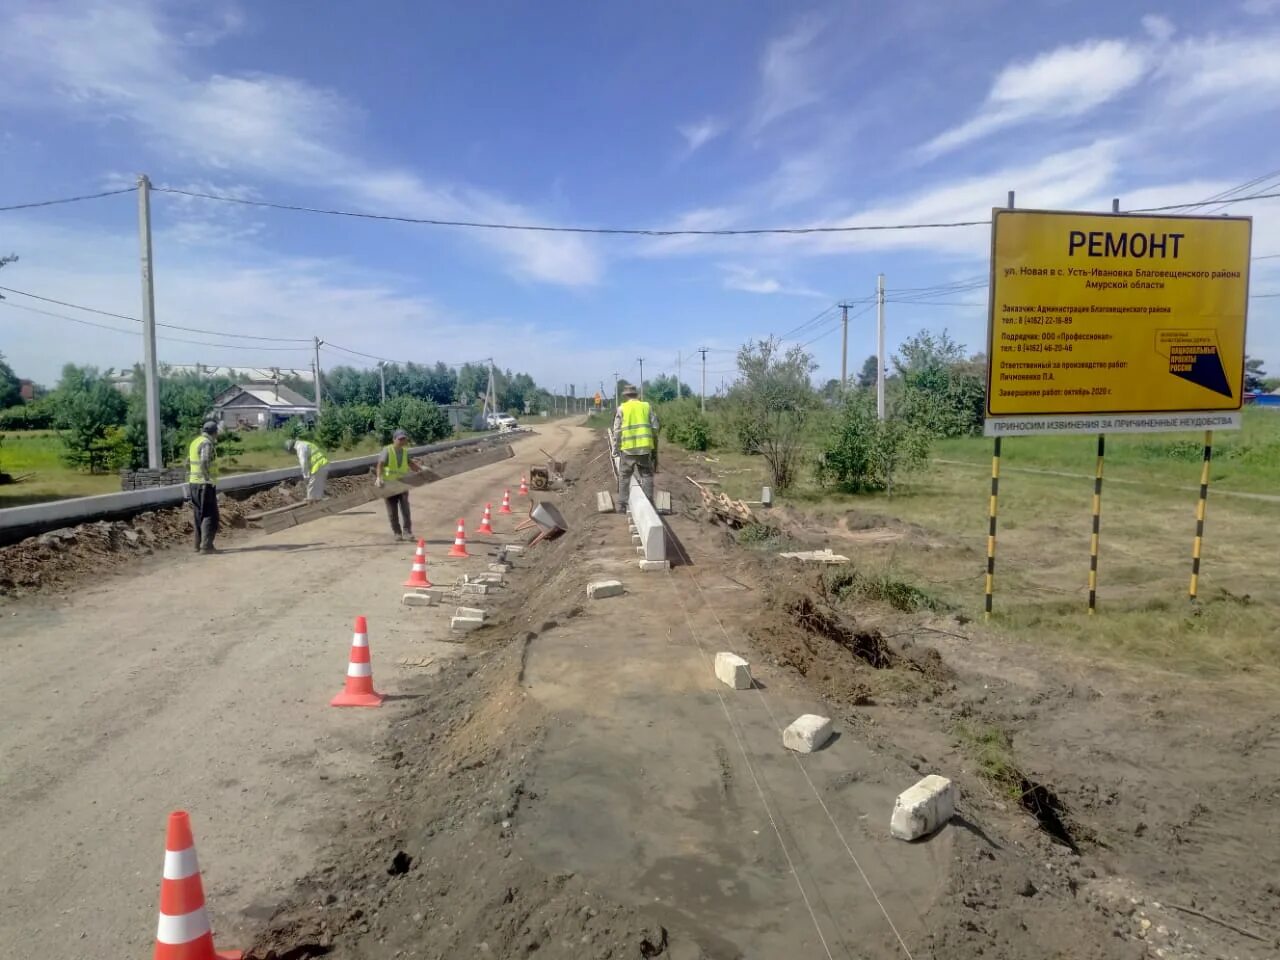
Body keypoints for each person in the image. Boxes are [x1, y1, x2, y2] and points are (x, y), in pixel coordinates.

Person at [611, 383, 659, 512]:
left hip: (628, 449)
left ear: (626, 395)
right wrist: (653, 447)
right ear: (636, 395)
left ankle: (622, 505)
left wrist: (615, 449)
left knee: (624, 476)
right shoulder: (646, 406)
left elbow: (617, 431)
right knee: (647, 475)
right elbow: (655, 427)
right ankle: (649, 504)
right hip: (644, 449)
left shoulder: (622, 408)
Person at [375, 429, 421, 541]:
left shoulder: (404, 451)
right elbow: (380, 464)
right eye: (400, 439)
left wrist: (420, 470)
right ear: (394, 439)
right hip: (389, 485)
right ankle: (397, 532)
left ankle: (407, 531)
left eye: (404, 439)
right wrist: (378, 478)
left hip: (402, 484)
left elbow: (409, 463)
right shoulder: (387, 450)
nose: (402, 441)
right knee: (392, 511)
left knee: (405, 509)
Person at [187, 420, 221, 554]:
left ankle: (197, 545)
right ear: (214, 432)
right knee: (210, 514)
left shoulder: (195, 442)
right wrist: (207, 477)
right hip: (204, 484)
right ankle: (206, 546)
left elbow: (187, 461)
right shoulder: (207, 443)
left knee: (198, 514)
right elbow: (204, 461)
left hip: (194, 483)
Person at [285, 437, 330, 501]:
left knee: (311, 485)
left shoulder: (300, 447)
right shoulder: (304, 444)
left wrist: (306, 476)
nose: (293, 453)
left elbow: (304, 463)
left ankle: (310, 503)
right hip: (323, 464)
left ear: (292, 448)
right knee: (318, 486)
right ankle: (318, 502)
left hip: (318, 466)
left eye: (291, 452)